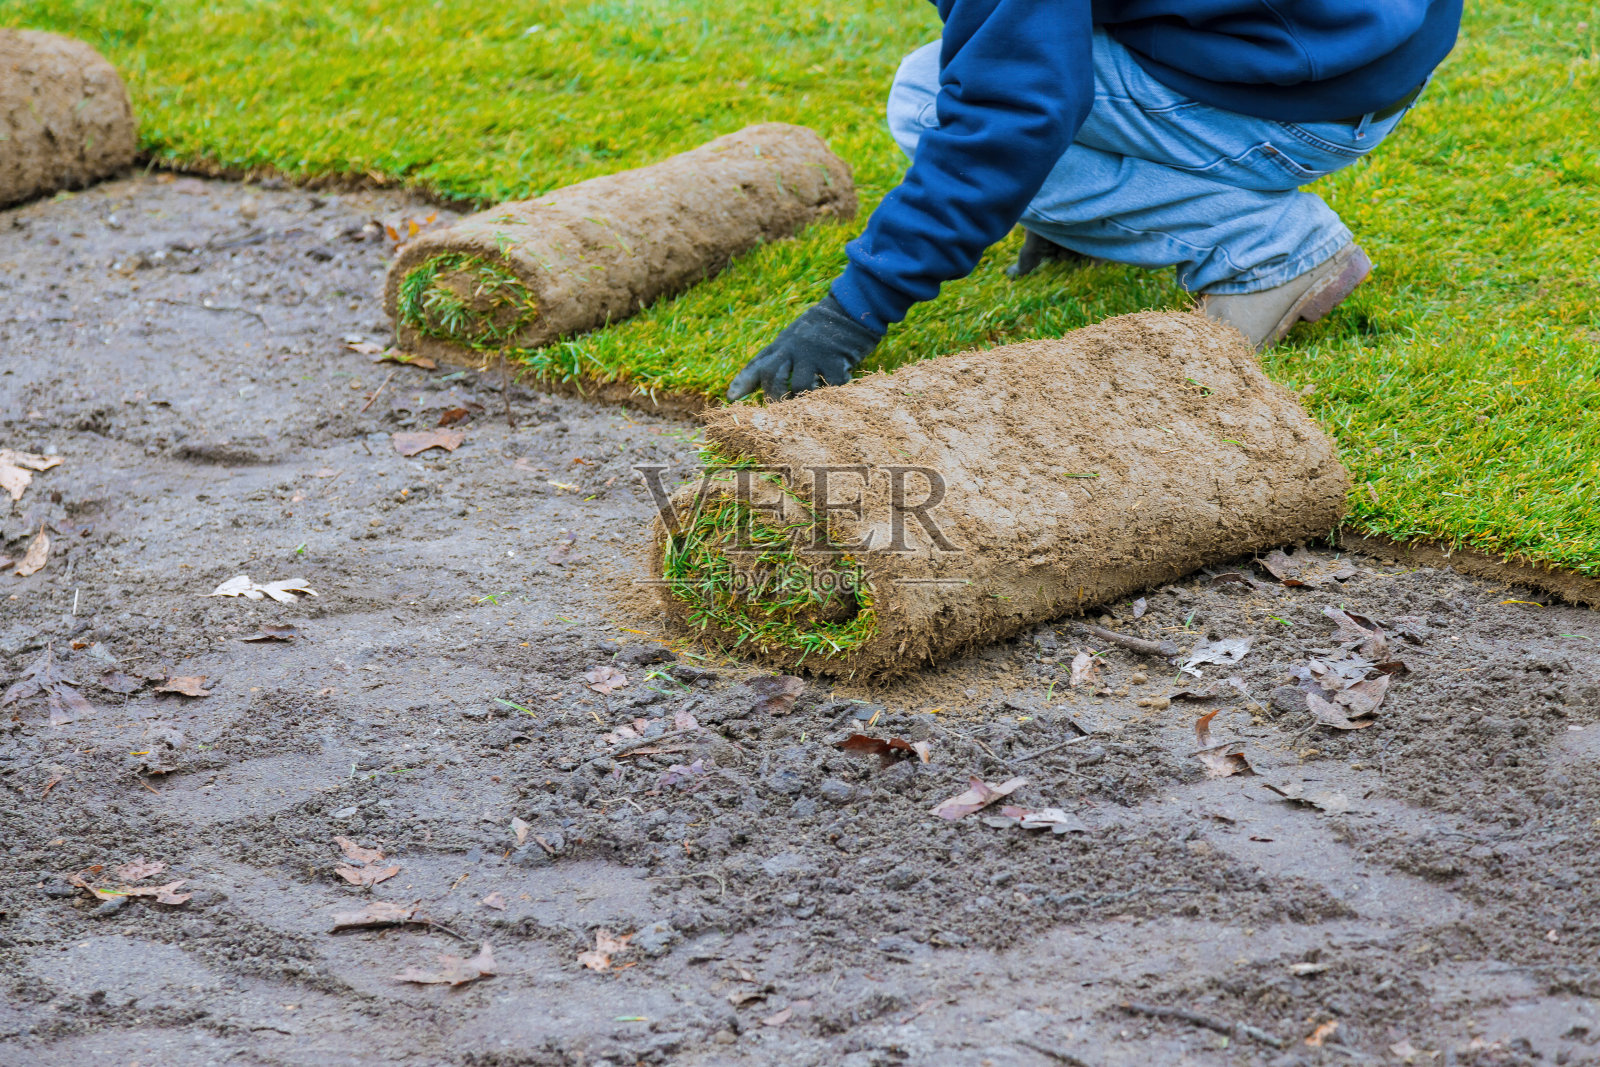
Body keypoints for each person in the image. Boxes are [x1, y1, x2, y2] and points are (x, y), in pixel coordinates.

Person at [728, 1, 1462, 402]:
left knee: (925, 96)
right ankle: (1099, 217)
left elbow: (1011, 113)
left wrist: (853, 311)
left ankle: (1266, 250)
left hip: (1296, 102)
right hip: (1368, 45)